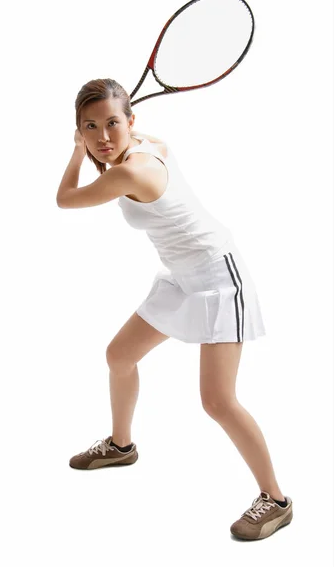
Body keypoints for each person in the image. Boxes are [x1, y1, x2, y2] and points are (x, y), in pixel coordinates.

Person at [56, 78, 293, 540]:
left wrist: (75, 151)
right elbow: (122, 149)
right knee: (119, 356)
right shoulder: (145, 143)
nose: (103, 137)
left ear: (131, 123)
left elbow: (65, 199)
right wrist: (100, 141)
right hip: (182, 276)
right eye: (90, 127)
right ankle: (122, 446)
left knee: (217, 401)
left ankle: (277, 500)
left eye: (112, 123)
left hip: (220, 279)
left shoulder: (131, 170)